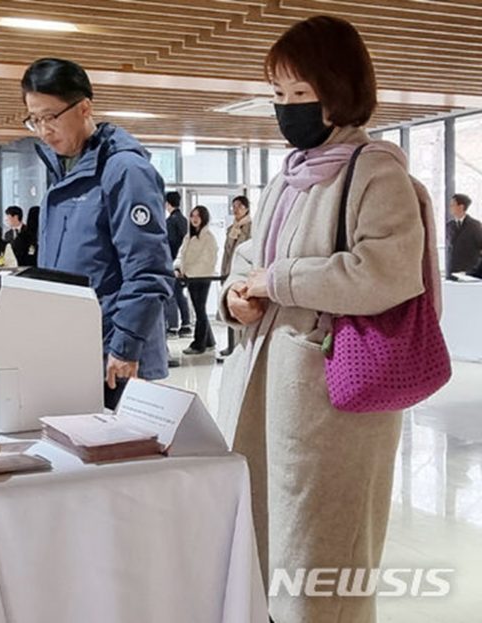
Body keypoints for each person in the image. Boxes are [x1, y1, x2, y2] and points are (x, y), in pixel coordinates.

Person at [218, 16, 435, 622]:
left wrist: (277, 280)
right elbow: (249, 260)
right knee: (268, 545)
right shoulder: (286, 178)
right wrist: (235, 297)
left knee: (322, 559)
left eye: (300, 95)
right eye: (279, 95)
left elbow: (386, 272)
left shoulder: (376, 171)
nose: (286, 109)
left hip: (333, 401)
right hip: (269, 392)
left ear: (339, 90)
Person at [21, 57, 173, 409]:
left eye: (51, 117)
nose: (44, 130)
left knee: (120, 460)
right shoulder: (63, 172)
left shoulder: (124, 169)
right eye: (35, 119)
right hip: (74, 349)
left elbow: (148, 269)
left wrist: (126, 344)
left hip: (115, 357)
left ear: (85, 107)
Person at [175, 205, 219, 355]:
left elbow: (207, 260)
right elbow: (182, 255)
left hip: (201, 277)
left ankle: (198, 344)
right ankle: (209, 341)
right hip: (191, 277)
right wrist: (179, 269)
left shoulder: (208, 237)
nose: (194, 219)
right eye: (192, 215)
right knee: (200, 310)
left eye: (198, 216)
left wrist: (189, 272)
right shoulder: (189, 236)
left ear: (204, 218)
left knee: (200, 310)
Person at [218, 195, 252, 358]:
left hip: (245, 274)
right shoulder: (232, 228)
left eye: (239, 206)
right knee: (231, 311)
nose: (236, 209)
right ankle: (233, 346)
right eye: (234, 206)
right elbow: (227, 252)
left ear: (246, 208)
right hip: (230, 271)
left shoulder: (252, 226)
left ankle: (242, 347)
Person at [163, 191, 190, 338]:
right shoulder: (184, 220)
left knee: (171, 296)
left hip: (172, 264)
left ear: (168, 204)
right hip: (183, 264)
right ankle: (186, 324)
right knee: (180, 294)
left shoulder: (170, 223)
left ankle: (172, 327)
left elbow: (169, 245)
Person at [446, 193, 482, 275]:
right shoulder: (449, 226)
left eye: (452, 205)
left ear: (461, 207)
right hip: (452, 271)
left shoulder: (475, 225)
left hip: (469, 272)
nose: (450, 207)